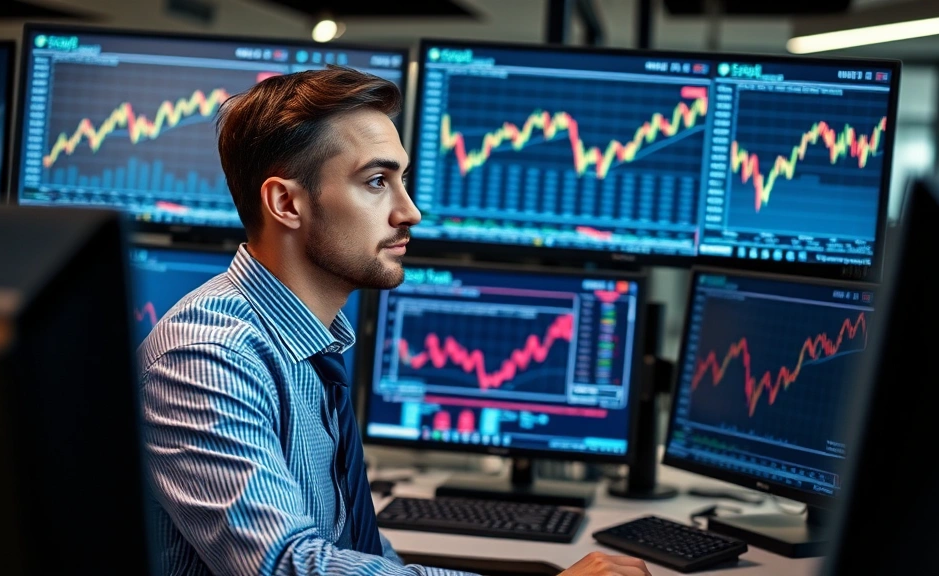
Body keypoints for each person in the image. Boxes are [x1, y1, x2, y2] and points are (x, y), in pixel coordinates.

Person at [139, 66, 650, 576]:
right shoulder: (207, 355)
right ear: (286, 203)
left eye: (401, 180)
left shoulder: (311, 348)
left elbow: (356, 551)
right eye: (377, 182)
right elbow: (288, 567)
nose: (410, 212)